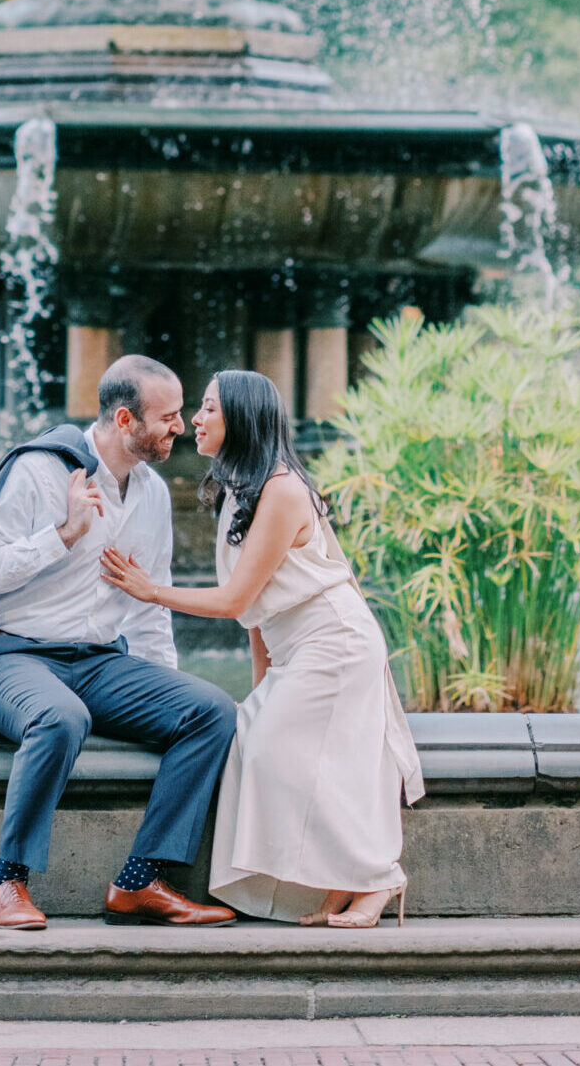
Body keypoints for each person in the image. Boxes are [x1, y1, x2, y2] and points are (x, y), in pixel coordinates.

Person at [0, 352, 239, 932]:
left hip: (97, 662)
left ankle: (140, 881)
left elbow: (150, 607)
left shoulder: (151, 494)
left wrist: (164, 688)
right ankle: (7, 883)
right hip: (8, 656)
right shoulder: (41, 471)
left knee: (211, 710)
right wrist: (62, 534)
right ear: (125, 421)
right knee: (60, 718)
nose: (180, 426)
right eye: (167, 416)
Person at [101, 370, 425, 928]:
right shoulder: (240, 492)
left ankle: (379, 879)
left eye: (207, 410)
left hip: (334, 643)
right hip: (296, 648)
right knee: (257, 739)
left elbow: (235, 599)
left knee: (284, 757)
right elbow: (256, 617)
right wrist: (261, 687)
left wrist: (151, 590)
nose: (194, 421)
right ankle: (338, 886)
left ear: (242, 420)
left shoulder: (282, 490)